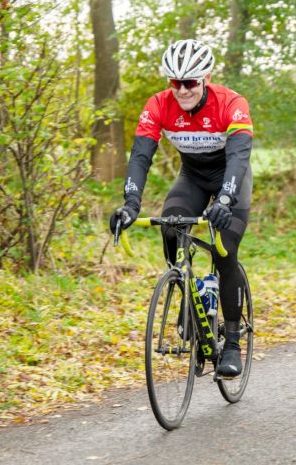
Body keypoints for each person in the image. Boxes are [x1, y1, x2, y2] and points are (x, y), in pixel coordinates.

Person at [110, 39, 253, 378]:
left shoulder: (231, 103)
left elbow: (238, 157)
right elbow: (141, 156)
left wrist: (225, 199)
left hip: (231, 180)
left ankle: (232, 343)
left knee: (224, 253)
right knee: (170, 226)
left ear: (205, 78)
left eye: (190, 82)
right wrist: (131, 204)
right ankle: (188, 294)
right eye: (176, 83)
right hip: (191, 177)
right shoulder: (159, 105)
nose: (183, 90)